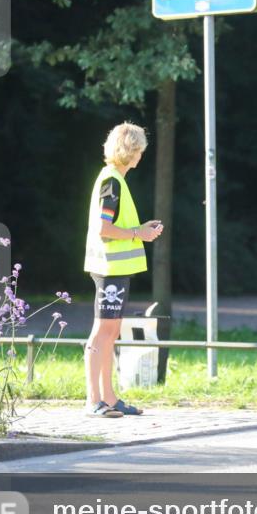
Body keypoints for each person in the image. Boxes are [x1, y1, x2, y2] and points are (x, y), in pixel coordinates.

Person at [83, 122, 163, 418]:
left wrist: (140, 229)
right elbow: (104, 228)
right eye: (140, 149)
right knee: (102, 332)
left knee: (111, 331)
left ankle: (109, 398)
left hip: (115, 269)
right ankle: (94, 400)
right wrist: (138, 233)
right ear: (131, 150)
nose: (141, 155)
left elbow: (113, 225)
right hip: (109, 269)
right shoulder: (112, 181)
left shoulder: (115, 179)